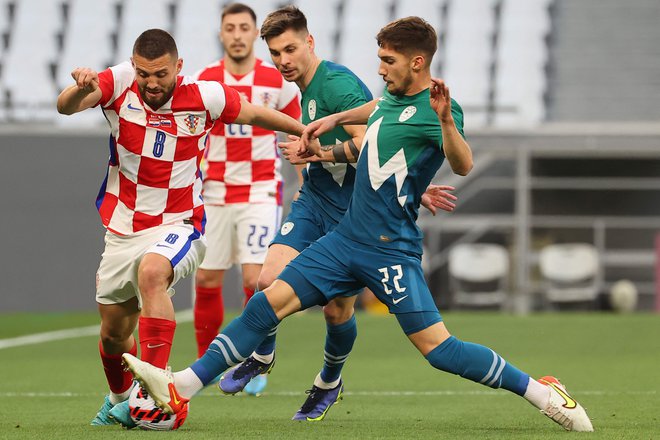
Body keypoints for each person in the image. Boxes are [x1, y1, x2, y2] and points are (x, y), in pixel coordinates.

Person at [123, 16, 594, 432]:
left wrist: (448, 124)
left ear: (417, 62)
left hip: (391, 250)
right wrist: (332, 124)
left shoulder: (436, 108)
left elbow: (465, 163)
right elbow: (371, 125)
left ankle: (542, 391)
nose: (379, 68)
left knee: (440, 351)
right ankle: (181, 386)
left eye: (387, 60)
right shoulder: (389, 97)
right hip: (346, 239)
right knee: (266, 302)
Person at [215, 5, 456, 418]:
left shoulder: (339, 86)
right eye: (275, 53)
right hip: (315, 202)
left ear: (310, 42)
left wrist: (318, 156)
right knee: (266, 278)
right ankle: (263, 353)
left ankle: (329, 380)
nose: (283, 61)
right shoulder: (305, 88)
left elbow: (371, 145)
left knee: (336, 310)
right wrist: (310, 169)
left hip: (352, 214)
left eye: (290, 49)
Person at [56, 28, 304, 426]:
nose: (152, 83)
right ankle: (121, 398)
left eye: (161, 74)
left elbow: (257, 114)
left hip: (181, 221)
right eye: (144, 74)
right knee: (113, 335)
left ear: (179, 67)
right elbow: (65, 108)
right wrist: (77, 88)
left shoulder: (205, 96)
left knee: (153, 271)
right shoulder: (118, 81)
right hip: (123, 226)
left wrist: (304, 130)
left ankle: (150, 397)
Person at [190, 3, 302, 395]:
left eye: (243, 28)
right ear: (221, 34)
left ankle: (254, 361)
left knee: (257, 279)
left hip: (261, 190)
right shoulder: (204, 81)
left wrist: (305, 180)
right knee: (207, 277)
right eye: (229, 28)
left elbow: (297, 133)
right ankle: (209, 364)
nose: (237, 34)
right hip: (214, 192)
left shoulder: (278, 81)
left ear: (255, 34)